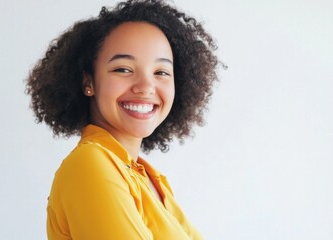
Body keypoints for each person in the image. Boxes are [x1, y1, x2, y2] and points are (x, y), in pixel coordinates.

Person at [25, 0, 220, 239]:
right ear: (89, 82)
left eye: (161, 72)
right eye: (123, 69)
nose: (146, 87)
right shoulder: (89, 164)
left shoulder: (150, 177)